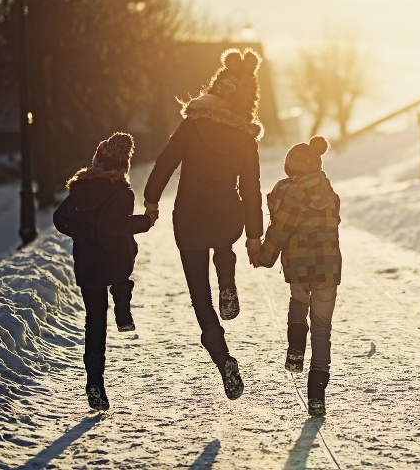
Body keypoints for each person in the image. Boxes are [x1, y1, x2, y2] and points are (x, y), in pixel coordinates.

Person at [143, 48, 264, 400]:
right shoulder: (245, 139)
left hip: (191, 216)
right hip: (228, 215)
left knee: (200, 296)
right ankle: (227, 277)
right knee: (224, 245)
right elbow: (253, 192)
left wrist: (151, 202)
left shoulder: (193, 125)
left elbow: (165, 162)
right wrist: (254, 238)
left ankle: (223, 358)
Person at [53, 131, 158, 411]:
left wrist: (83, 234)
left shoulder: (78, 190)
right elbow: (114, 227)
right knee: (124, 260)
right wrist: (145, 222)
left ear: (96, 161)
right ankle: (122, 303)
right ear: (122, 167)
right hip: (114, 262)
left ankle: (94, 383)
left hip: (87, 266)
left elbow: (59, 220)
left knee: (94, 324)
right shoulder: (121, 192)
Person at [254, 135, 341, 417]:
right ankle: (317, 394)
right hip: (327, 268)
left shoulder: (291, 193)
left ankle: (295, 348)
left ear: (291, 168)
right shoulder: (329, 193)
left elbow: (280, 230)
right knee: (322, 328)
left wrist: (264, 258)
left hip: (301, 267)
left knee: (298, 302)